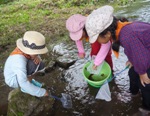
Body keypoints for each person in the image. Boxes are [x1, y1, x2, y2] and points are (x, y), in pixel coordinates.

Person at [85, 5, 150, 114]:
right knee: (132, 73)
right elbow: (136, 49)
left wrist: (142, 73)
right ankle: (134, 93)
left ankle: (147, 107)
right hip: (145, 52)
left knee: (145, 84)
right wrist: (132, 60)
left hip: (146, 57)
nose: (97, 42)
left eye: (97, 39)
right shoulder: (120, 30)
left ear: (107, 34)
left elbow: (141, 57)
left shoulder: (127, 35)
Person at [4, 31, 49, 97]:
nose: (38, 54)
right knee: (33, 65)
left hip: (18, 73)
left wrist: (36, 56)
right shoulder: (18, 60)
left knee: (40, 63)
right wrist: (42, 92)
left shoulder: (24, 51)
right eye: (36, 53)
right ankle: (25, 88)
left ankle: (29, 81)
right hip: (13, 79)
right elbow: (23, 82)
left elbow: (35, 58)